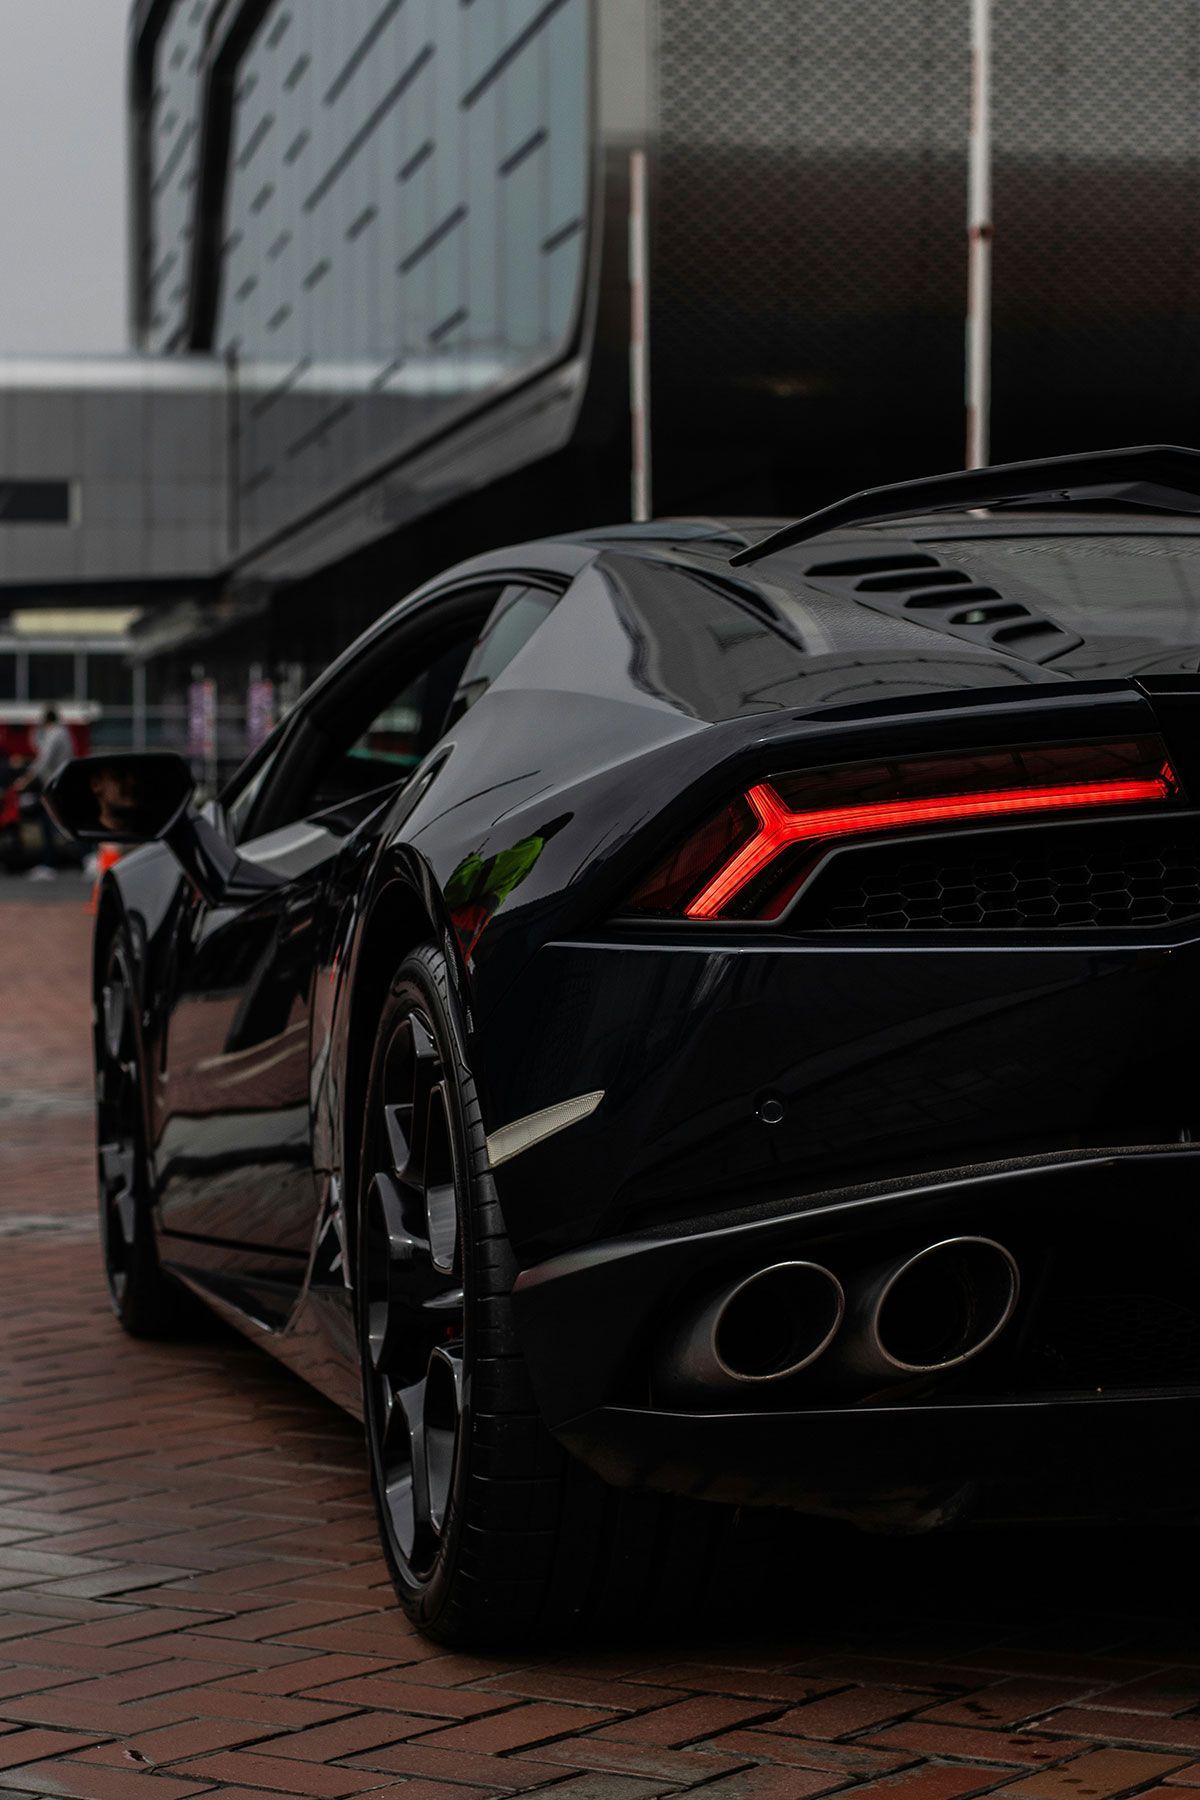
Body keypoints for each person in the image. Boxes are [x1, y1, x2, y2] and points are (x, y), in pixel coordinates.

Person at [13, 706, 75, 879]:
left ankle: (50, 863)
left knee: (54, 822)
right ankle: (54, 861)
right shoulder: (63, 733)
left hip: (56, 786)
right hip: (60, 783)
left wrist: (25, 780)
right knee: (58, 822)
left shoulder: (55, 734)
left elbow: (43, 761)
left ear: (46, 721)